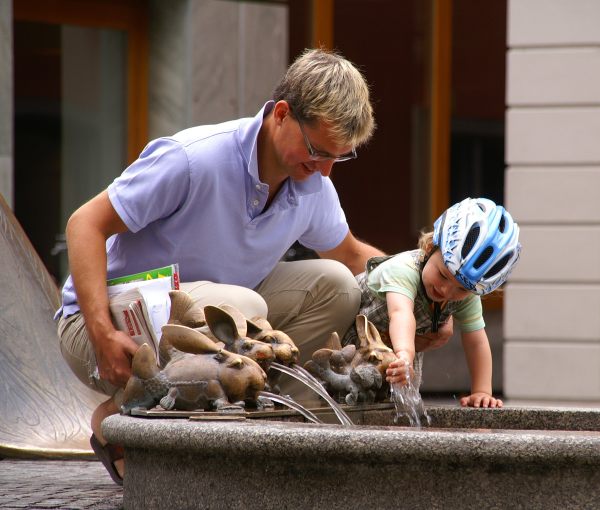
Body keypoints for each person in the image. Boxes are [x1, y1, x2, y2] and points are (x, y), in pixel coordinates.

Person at [55, 48, 452, 484]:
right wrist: (102, 332)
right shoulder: (192, 159)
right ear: (282, 114)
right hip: (101, 324)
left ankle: (286, 443)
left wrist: (424, 298)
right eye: (318, 151)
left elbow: (355, 257)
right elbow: (84, 225)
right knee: (242, 302)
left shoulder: (312, 183)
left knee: (339, 285)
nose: (325, 171)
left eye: (339, 157)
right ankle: (118, 418)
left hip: (225, 316)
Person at [343, 197, 521, 408]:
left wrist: (482, 391)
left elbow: (477, 341)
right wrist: (405, 357)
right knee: (343, 396)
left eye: (462, 289)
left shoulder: (466, 294)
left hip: (398, 353)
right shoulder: (404, 270)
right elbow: (400, 313)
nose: (446, 290)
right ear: (429, 248)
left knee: (401, 410)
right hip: (351, 341)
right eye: (443, 275)